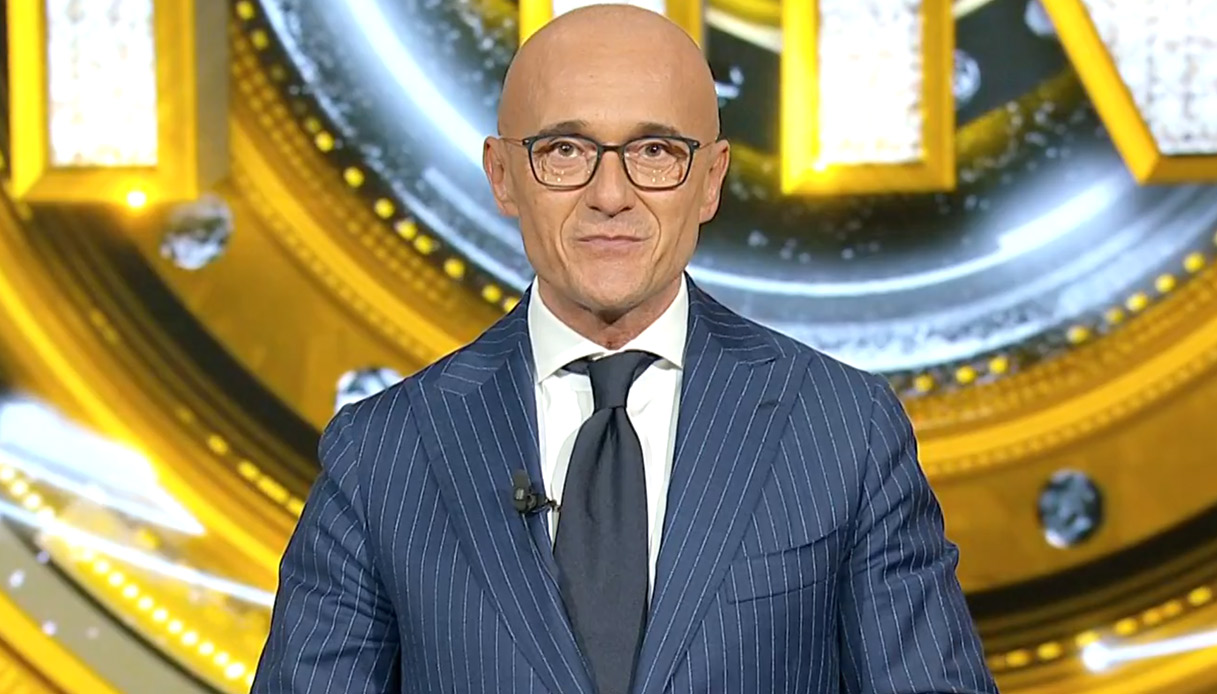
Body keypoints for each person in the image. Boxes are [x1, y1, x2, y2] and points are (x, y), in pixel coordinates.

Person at [252, 5, 999, 693]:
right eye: (565, 150)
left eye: (654, 150)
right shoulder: (382, 454)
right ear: (502, 175)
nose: (610, 194)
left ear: (710, 180)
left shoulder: (842, 430)